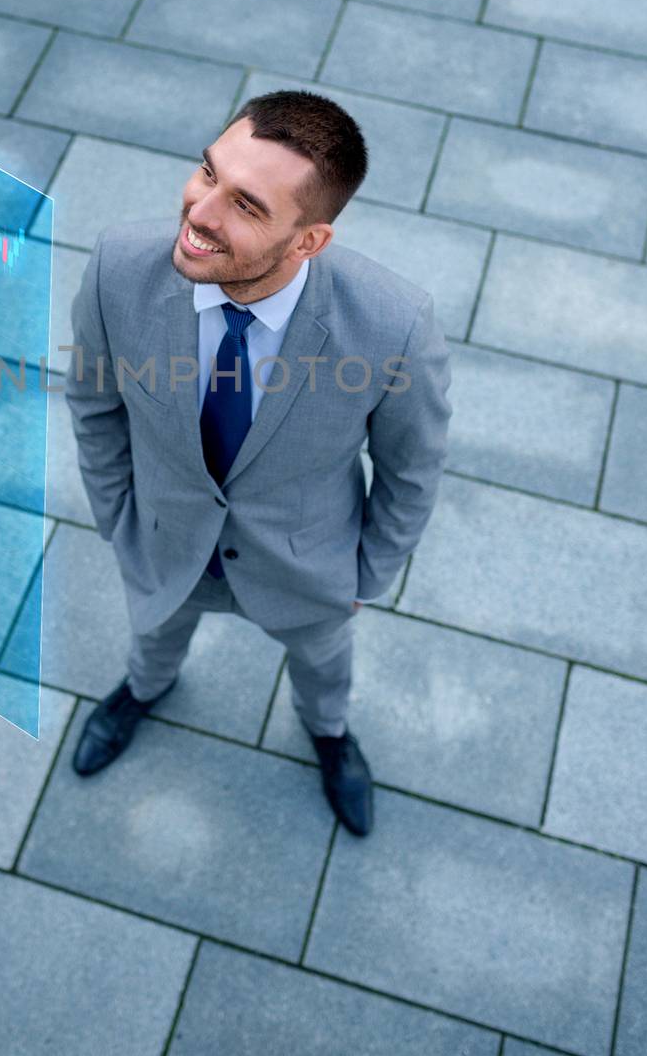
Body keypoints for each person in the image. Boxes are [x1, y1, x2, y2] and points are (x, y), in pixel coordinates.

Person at [63, 90, 452, 837]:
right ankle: (142, 691)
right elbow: (93, 402)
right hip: (166, 542)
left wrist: (366, 576)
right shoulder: (120, 265)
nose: (200, 213)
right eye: (207, 173)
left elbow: (411, 469)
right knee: (153, 637)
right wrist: (119, 519)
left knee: (323, 667)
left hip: (308, 567)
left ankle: (330, 736)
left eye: (245, 205)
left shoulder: (393, 326)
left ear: (307, 242)